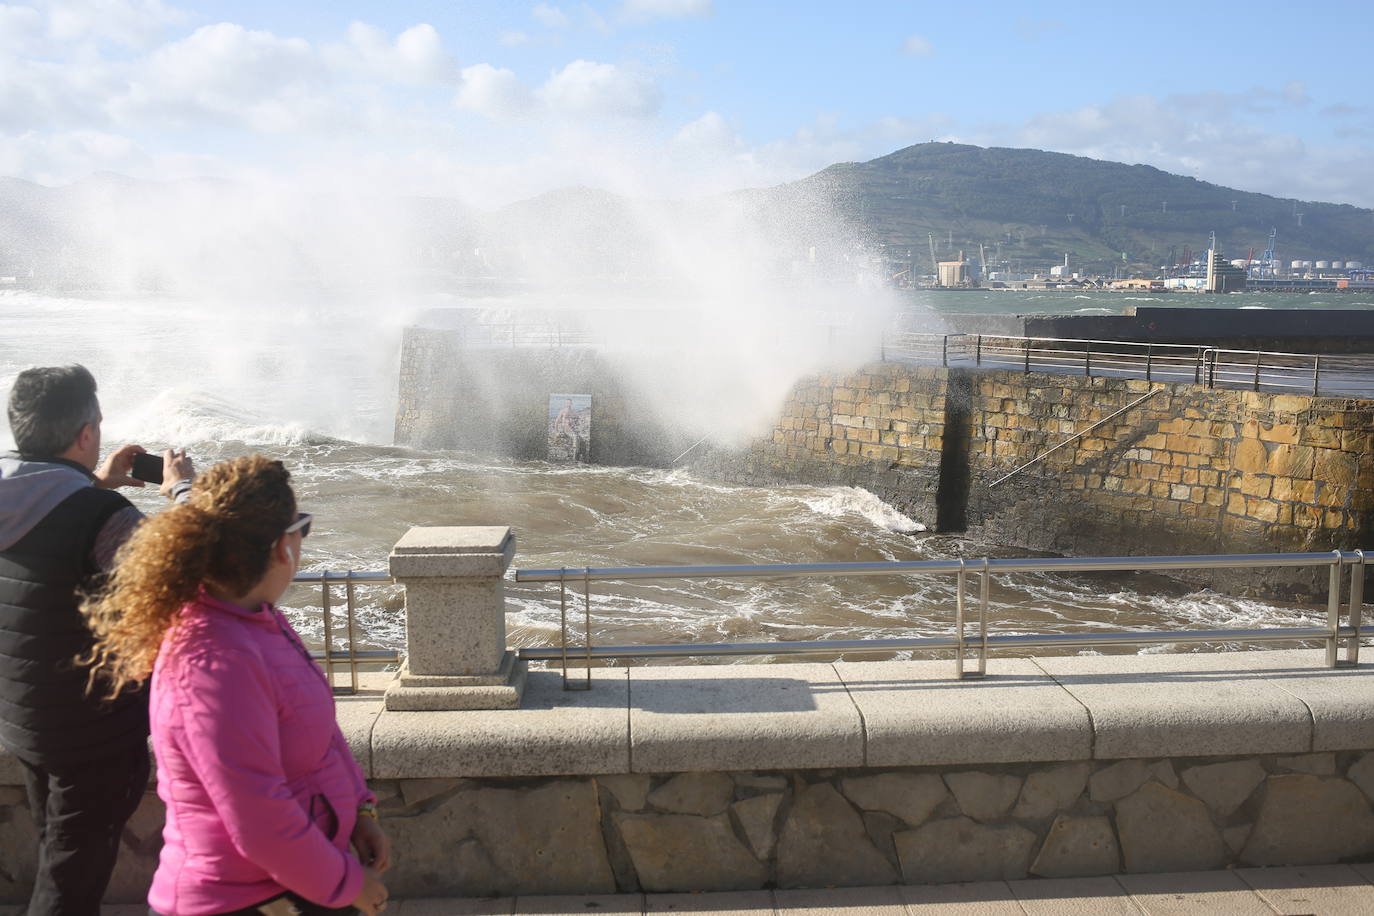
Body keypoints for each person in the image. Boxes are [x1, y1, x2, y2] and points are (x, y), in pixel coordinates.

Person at [81, 455, 390, 916]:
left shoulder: (257, 618)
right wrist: (346, 885)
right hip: (240, 899)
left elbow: (321, 733)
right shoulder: (211, 661)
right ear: (282, 546)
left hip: (302, 878)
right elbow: (257, 816)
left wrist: (361, 812)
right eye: (301, 527)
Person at [0, 364, 194, 915]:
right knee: (68, 888)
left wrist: (89, 481)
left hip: (21, 714)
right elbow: (190, 575)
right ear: (86, 435)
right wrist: (181, 489)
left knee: (56, 855)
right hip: (89, 733)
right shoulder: (103, 518)